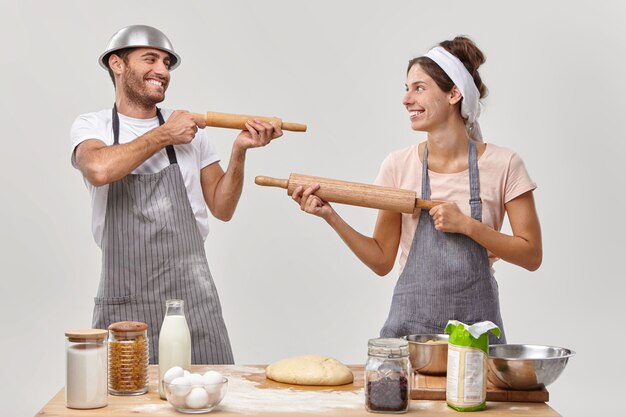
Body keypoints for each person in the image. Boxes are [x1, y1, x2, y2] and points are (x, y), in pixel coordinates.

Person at [292, 36, 541, 344]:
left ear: (454, 94)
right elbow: (382, 260)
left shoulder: (504, 164)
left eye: (419, 88)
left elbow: (531, 255)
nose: (406, 99)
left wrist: (467, 225)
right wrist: (330, 215)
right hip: (409, 345)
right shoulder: (399, 165)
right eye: (406, 88)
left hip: (476, 349)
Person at [70, 25, 282, 364]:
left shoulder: (192, 132)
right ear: (117, 64)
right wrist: (165, 134)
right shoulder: (92, 126)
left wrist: (239, 150)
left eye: (167, 63)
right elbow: (99, 169)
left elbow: (223, 207)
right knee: (126, 404)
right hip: (126, 305)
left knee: (210, 397)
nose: (162, 71)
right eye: (150, 59)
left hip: (193, 302)